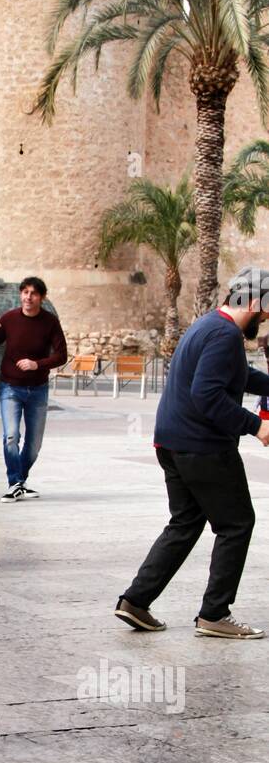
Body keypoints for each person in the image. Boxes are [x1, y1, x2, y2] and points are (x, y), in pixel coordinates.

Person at [116, 267, 269, 640]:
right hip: (203, 447)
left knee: (185, 523)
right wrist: (257, 426)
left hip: (172, 443)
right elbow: (208, 395)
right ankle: (214, 614)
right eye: (265, 310)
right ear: (252, 301)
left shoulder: (208, 326)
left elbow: (239, 376)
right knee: (236, 524)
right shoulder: (225, 335)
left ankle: (135, 601)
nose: (265, 319)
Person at [0, 276, 67, 501]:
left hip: (38, 390)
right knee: (11, 436)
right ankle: (15, 483)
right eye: (25, 292)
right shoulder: (10, 319)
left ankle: (19, 482)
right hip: (10, 387)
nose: (28, 297)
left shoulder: (50, 322)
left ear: (42, 297)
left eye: (33, 293)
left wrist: (36, 364)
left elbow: (62, 355)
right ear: (20, 294)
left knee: (34, 444)